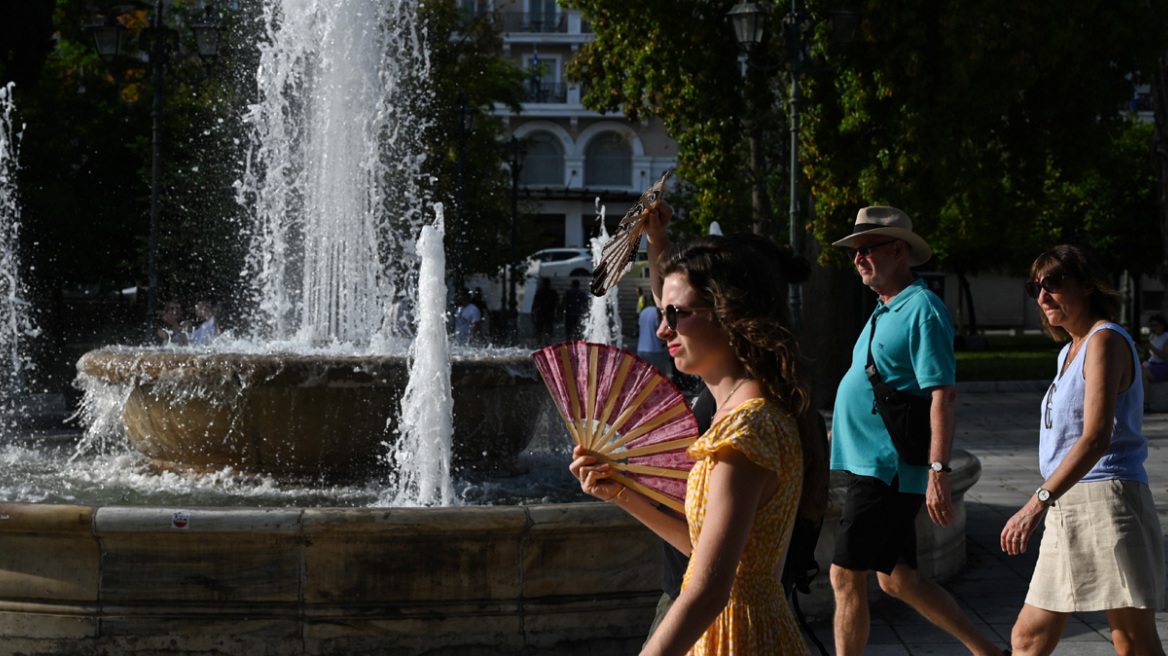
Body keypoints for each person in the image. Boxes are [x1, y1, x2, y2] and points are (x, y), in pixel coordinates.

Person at [570, 233, 827, 655]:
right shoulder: (748, 413)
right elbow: (708, 550)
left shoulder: (747, 431)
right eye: (662, 312)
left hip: (735, 638)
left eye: (678, 313)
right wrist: (622, 494)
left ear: (730, 315)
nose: (662, 328)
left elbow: (709, 590)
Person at [829, 206, 1004, 656]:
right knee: (898, 579)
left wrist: (939, 472)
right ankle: (988, 651)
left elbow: (943, 395)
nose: (858, 259)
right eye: (854, 252)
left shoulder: (923, 310)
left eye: (867, 250)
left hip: (886, 467)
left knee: (844, 574)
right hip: (869, 461)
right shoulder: (884, 308)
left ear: (899, 251)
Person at [1001, 245, 1164, 656]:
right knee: (1027, 638)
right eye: (1035, 287)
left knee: (1134, 643)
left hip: (1108, 503)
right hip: (1065, 504)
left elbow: (1095, 438)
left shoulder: (1104, 339)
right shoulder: (1068, 351)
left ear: (1088, 285)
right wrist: (1049, 500)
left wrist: (1035, 502)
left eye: (1053, 283)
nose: (1042, 296)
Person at [636, 304, 670, 377]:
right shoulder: (657, 312)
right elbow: (661, 330)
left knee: (643, 377)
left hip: (641, 350)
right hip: (655, 349)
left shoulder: (643, 311)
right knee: (660, 377)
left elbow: (639, 330)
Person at [1137, 313, 1168, 387]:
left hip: (1163, 366)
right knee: (1135, 372)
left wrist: (1152, 348)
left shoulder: (1166, 337)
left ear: (1162, 326)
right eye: (1152, 326)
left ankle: (1145, 398)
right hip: (1152, 363)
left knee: (1143, 374)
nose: (1153, 328)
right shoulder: (1152, 336)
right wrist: (1137, 347)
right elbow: (1147, 353)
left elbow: (1165, 357)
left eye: (1156, 325)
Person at [532, 278, 558, 343]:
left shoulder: (539, 292)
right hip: (550, 313)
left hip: (540, 313)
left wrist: (532, 314)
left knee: (539, 330)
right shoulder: (553, 292)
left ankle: (539, 343)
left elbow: (535, 304)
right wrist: (557, 314)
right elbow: (557, 304)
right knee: (548, 330)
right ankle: (547, 342)